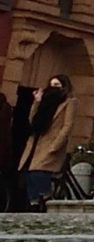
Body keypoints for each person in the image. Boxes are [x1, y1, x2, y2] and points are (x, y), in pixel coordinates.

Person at [15, 77, 72, 208]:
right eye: (51, 84)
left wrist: (56, 145)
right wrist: (37, 102)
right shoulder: (45, 102)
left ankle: (47, 197)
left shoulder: (69, 102)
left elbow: (67, 126)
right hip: (36, 142)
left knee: (39, 172)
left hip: (51, 144)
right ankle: (34, 203)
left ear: (64, 86)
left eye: (57, 84)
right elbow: (32, 120)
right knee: (29, 174)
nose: (53, 88)